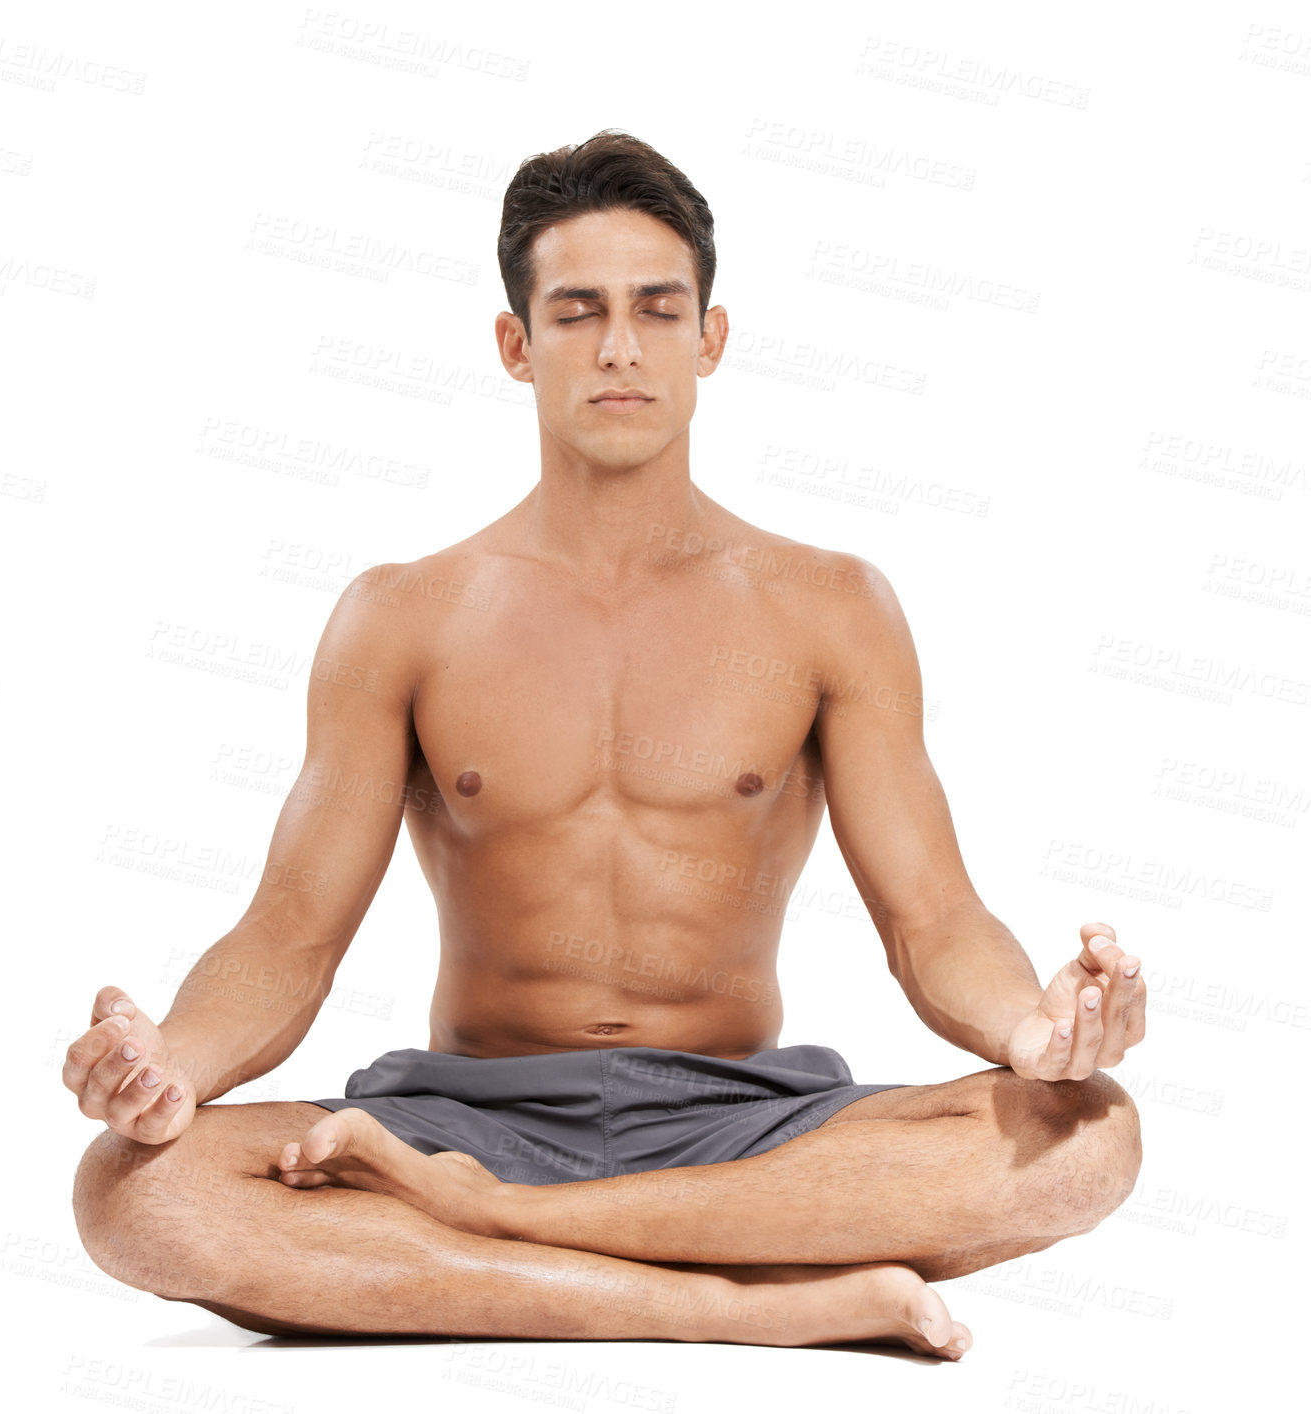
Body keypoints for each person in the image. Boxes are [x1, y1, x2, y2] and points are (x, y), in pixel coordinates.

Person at [67, 130, 1144, 1357]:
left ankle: (496, 1233)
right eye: (577, 312)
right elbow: (288, 937)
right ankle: (742, 1303)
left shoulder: (830, 604)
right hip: (456, 1118)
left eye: (655, 309)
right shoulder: (401, 612)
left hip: (748, 1127)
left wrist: (1034, 1033)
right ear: (516, 347)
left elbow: (933, 921)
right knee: (134, 1189)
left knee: (1089, 1136)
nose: (621, 346)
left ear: (711, 339)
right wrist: (171, 1066)